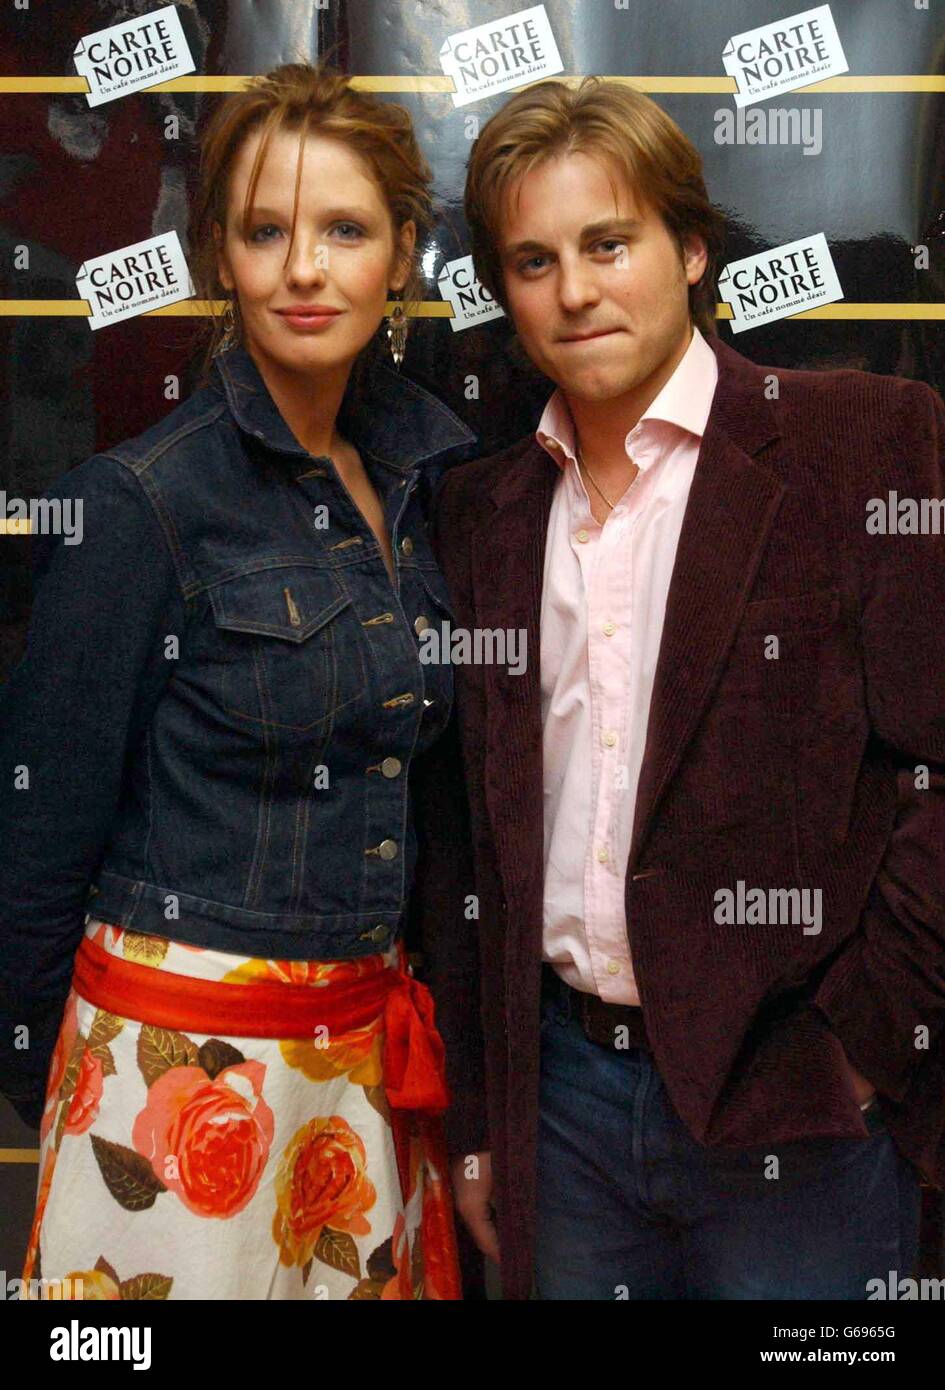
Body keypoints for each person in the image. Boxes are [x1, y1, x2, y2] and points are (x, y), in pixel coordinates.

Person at [420, 75, 945, 1299]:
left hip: (798, 1115)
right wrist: (486, 1114)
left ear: (691, 247)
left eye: (610, 244)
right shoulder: (482, 515)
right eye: (535, 260)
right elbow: (467, 846)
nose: (578, 290)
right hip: (564, 1107)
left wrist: (864, 1044)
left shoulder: (863, 443)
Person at [0, 60, 476, 1301]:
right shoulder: (143, 500)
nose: (303, 270)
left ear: (404, 252)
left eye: (345, 230)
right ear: (219, 253)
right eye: (266, 231)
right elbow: (33, 848)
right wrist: (100, 1084)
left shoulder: (437, 481)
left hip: (359, 1072)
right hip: (169, 1089)